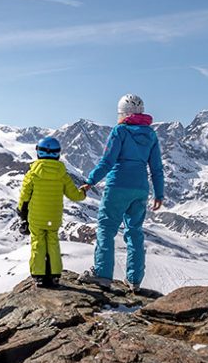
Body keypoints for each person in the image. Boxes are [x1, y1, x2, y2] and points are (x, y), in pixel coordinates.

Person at [79, 94, 165, 292]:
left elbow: (107, 161)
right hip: (141, 188)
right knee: (134, 231)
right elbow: (157, 168)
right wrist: (159, 194)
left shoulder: (120, 131)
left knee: (106, 229)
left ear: (124, 113)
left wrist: (90, 181)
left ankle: (102, 274)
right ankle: (134, 280)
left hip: (118, 186)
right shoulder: (151, 135)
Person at [18, 136, 87, 288]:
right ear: (57, 153)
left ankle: (40, 276)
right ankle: (55, 275)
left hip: (36, 217)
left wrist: (21, 214)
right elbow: (75, 195)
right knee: (53, 243)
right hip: (53, 218)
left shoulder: (32, 173)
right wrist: (83, 191)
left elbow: (24, 196)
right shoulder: (62, 174)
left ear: (39, 152)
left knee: (38, 243)